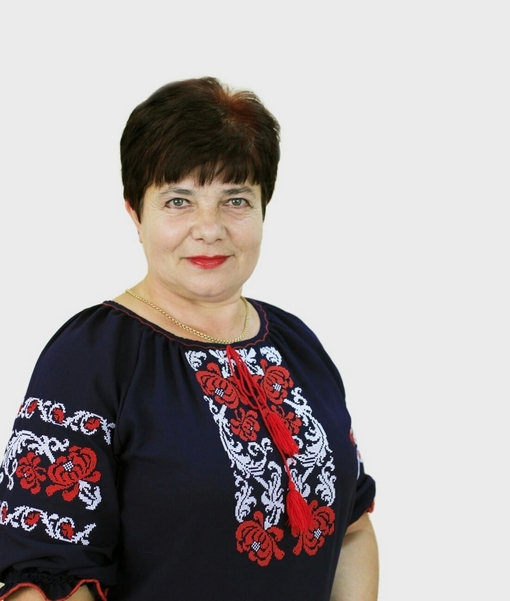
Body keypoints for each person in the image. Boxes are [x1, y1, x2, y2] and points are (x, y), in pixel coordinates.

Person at [0, 77, 378, 601]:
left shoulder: (297, 344)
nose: (209, 228)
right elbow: (44, 578)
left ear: (264, 208)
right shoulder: (90, 359)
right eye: (178, 201)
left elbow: (352, 528)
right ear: (135, 212)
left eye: (235, 200)